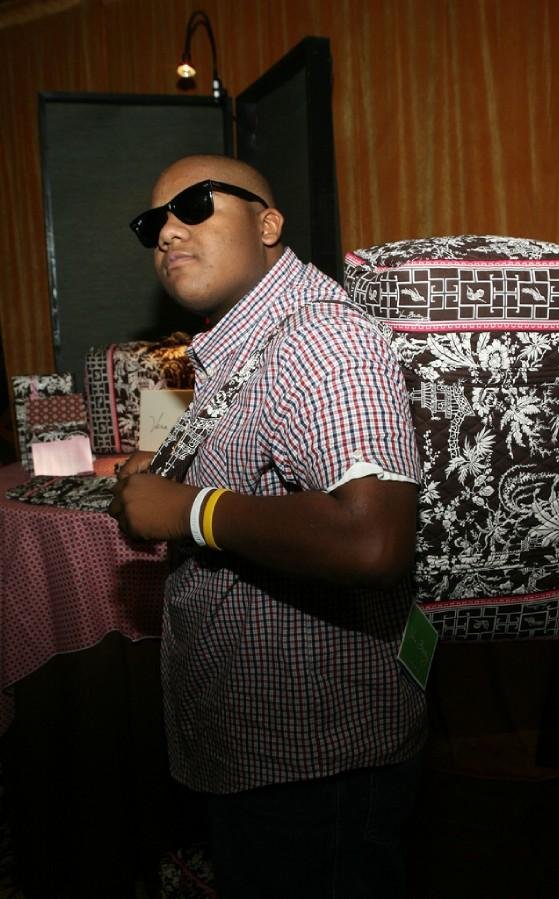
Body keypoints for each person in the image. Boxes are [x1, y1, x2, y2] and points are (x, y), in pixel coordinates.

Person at [109, 154, 426, 898]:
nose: (167, 233)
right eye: (152, 224)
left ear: (269, 223)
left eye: (194, 205)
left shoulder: (321, 341)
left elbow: (372, 539)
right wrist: (169, 470)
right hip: (264, 739)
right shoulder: (244, 343)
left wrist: (186, 509)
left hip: (317, 754)